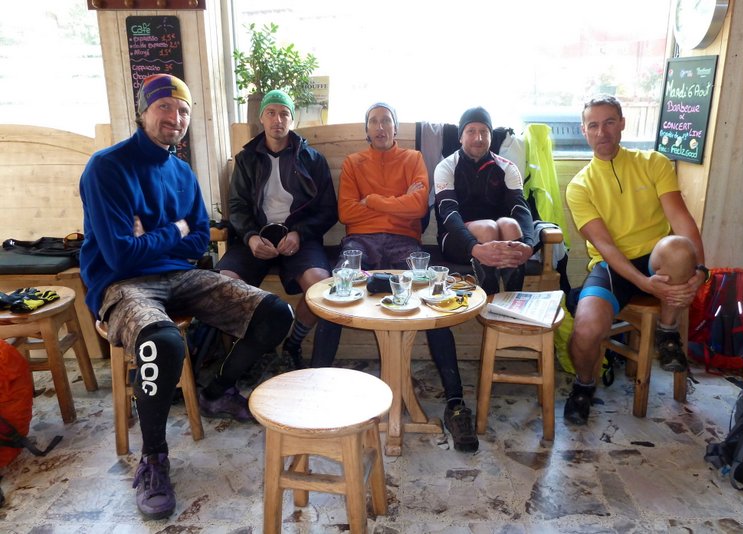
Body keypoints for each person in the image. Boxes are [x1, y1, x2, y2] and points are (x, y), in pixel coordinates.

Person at [79, 74, 294, 519]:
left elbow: (198, 240)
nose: (174, 118)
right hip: (122, 284)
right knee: (163, 342)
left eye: (183, 111)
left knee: (275, 313)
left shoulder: (180, 172)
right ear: (143, 111)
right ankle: (154, 458)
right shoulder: (106, 167)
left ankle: (217, 390)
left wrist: (157, 235)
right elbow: (120, 256)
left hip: (179, 274)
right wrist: (173, 231)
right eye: (164, 107)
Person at [337, 102, 479, 452]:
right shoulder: (353, 163)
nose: (381, 127)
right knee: (338, 288)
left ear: (396, 129)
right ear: (366, 130)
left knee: (436, 297)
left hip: (405, 243)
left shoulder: (413, 159)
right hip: (361, 241)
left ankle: (455, 403)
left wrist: (371, 201)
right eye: (374, 121)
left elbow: (418, 208)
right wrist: (394, 201)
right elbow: (345, 211)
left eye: (387, 121)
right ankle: (315, 388)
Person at [564, 95, 708, 425]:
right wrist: (642, 283)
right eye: (594, 125)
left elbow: (683, 221)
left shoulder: (654, 162)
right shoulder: (579, 186)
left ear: (623, 123)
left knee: (680, 248)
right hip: (613, 266)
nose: (603, 132)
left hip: (659, 258)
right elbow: (606, 247)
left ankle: (667, 333)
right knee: (585, 329)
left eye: (610, 122)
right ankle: (584, 385)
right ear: (584, 131)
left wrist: (700, 268)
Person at [218, 89, 340, 370]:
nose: (278, 119)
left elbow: (328, 210)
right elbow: (236, 206)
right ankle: (250, 350)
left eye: (284, 113)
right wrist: (249, 237)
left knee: (321, 287)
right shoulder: (246, 159)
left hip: (299, 237)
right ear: (261, 117)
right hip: (256, 237)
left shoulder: (312, 159)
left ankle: (293, 343)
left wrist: (299, 233)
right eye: (271, 113)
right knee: (224, 283)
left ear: (292, 120)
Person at [434, 106, 563, 295]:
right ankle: (491, 300)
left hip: (500, 236)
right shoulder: (446, 167)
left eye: (484, 132)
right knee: (488, 228)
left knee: (509, 224)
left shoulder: (507, 168)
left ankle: (513, 299)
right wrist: (474, 248)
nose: (478, 138)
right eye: (471, 131)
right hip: (456, 240)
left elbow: (520, 208)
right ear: (461, 137)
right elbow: (449, 214)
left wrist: (527, 244)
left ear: (490, 137)